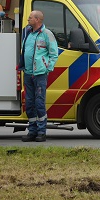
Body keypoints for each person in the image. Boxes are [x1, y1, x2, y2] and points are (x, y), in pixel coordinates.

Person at [18, 10, 59, 142]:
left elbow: (54, 53)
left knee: (39, 102)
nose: (28, 20)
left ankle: (41, 132)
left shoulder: (47, 34)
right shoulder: (28, 33)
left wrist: (48, 68)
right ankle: (32, 131)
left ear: (37, 20)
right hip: (28, 73)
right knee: (29, 103)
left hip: (40, 74)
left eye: (30, 18)